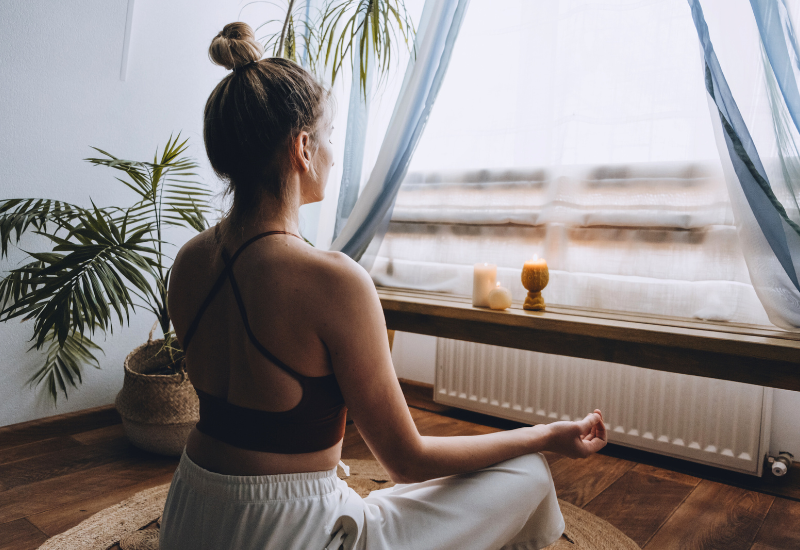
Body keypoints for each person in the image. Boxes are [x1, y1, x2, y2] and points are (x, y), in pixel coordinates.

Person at [160, 22, 607, 550]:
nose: (331, 152)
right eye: (327, 138)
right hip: (287, 536)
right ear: (302, 148)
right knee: (528, 473)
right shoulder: (333, 281)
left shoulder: (188, 262)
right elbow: (408, 462)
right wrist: (547, 435)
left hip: (190, 518)